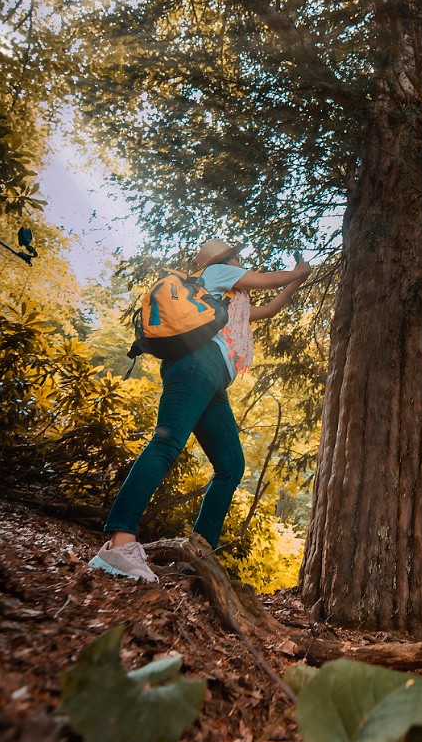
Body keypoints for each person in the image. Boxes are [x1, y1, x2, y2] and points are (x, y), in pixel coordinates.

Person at [89, 238, 311, 583]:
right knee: (166, 445)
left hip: (212, 377)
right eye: (240, 257)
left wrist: (299, 278)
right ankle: (119, 543)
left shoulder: (227, 300)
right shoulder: (218, 273)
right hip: (197, 363)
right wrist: (295, 271)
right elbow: (269, 280)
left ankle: (197, 554)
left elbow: (270, 308)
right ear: (227, 260)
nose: (243, 261)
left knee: (231, 465)